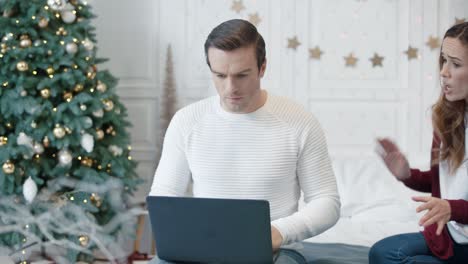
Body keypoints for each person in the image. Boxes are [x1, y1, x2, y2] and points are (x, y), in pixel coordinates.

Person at [149, 19, 340, 263]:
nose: (230, 88)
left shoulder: (300, 122)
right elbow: (164, 196)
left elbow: (327, 201)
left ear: (262, 68)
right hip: (203, 247)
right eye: (219, 75)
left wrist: (278, 232)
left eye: (242, 75)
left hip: (277, 250)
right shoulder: (186, 121)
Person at [369, 22, 468, 264]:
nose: (444, 72)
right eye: (443, 61)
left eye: (455, 64)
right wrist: (406, 174)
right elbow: (441, 187)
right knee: (380, 253)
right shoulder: (449, 121)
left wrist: (452, 209)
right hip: (449, 237)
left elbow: (449, 203)